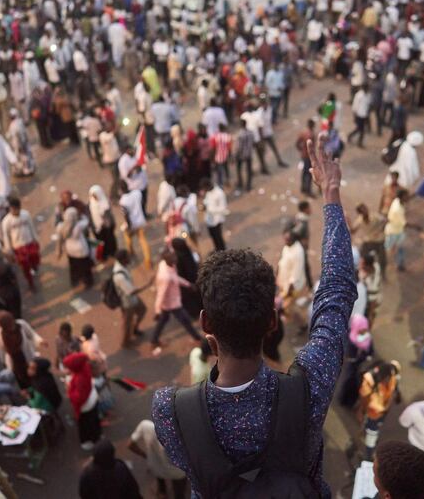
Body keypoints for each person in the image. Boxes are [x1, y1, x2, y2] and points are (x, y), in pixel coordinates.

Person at [152, 135, 355, 496]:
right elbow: (336, 292)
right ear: (272, 323)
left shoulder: (171, 410)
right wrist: (331, 196)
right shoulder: (308, 386)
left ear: (205, 325)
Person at [151, 248, 204, 356]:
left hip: (172, 301)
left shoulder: (167, 265)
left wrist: (188, 284)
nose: (175, 259)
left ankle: (154, 340)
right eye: (173, 258)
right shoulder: (165, 277)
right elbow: (161, 294)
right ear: (167, 260)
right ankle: (198, 338)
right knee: (185, 320)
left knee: (163, 320)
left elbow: (175, 278)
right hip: (171, 303)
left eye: (174, 257)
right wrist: (157, 310)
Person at [129, 420, 186, 499]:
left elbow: (130, 445)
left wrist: (146, 455)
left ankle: (162, 493)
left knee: (161, 483)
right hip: (178, 472)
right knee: (179, 493)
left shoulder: (145, 425)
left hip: (156, 467)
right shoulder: (178, 430)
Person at [359, 360, 402, 460]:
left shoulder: (391, 371)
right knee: (372, 435)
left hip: (380, 411)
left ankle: (367, 432)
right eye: (387, 378)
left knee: (372, 427)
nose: (389, 379)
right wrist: (362, 410)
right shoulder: (370, 381)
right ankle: (368, 456)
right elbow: (364, 399)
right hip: (374, 413)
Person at [0, 310, 47, 389]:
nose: (12, 326)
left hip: (29, 359)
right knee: (23, 381)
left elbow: (31, 334)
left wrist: (40, 341)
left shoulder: (21, 324)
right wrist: (4, 363)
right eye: (9, 325)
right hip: (15, 364)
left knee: (36, 376)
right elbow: (1, 350)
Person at [112, 249, 151, 348]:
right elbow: (131, 291)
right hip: (127, 303)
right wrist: (147, 285)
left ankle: (135, 328)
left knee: (142, 310)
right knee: (127, 324)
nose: (130, 258)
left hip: (133, 299)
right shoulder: (119, 276)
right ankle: (125, 342)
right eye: (127, 257)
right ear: (123, 260)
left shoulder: (122, 267)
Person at [1, 196, 40, 290]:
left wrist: (36, 239)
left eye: (17, 209)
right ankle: (31, 283)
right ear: (10, 209)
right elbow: (6, 237)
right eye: (13, 209)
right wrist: (9, 251)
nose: (16, 211)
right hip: (18, 247)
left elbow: (32, 227)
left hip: (29, 242)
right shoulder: (6, 221)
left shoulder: (25, 214)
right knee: (25, 266)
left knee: (35, 257)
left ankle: (34, 266)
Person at [64, 351, 101, 450]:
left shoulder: (79, 378)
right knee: (95, 421)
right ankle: (97, 436)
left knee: (85, 425)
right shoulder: (85, 367)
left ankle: (88, 441)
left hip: (86, 407)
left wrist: (70, 392)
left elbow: (79, 398)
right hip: (93, 398)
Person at [56, 207, 93, 288]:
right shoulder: (79, 226)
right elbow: (86, 220)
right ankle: (87, 282)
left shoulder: (60, 227)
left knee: (74, 266)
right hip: (81, 250)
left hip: (70, 250)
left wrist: (59, 251)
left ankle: (75, 280)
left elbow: (59, 240)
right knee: (85, 267)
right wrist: (82, 215)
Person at [119, 180, 152, 270]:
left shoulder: (123, 200)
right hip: (141, 220)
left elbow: (126, 215)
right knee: (143, 241)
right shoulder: (137, 193)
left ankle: (130, 253)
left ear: (120, 189)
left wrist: (129, 227)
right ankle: (148, 261)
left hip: (132, 223)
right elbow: (141, 203)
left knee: (128, 238)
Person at [88, 185, 116, 262]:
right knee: (100, 242)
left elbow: (108, 218)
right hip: (97, 228)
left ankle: (111, 252)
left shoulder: (105, 204)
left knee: (109, 240)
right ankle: (103, 256)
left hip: (106, 228)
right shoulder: (91, 204)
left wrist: (103, 224)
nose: (94, 197)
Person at [201, 179, 228, 251]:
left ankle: (222, 251)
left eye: (205, 189)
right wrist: (204, 205)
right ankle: (217, 249)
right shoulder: (208, 192)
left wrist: (209, 209)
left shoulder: (219, 193)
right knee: (213, 236)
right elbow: (206, 201)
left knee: (218, 237)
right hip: (209, 219)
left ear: (208, 186)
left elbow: (223, 209)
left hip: (217, 220)